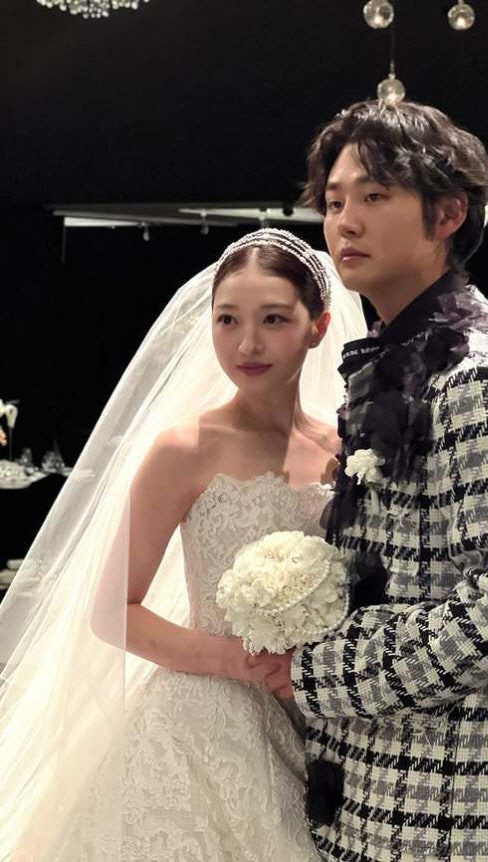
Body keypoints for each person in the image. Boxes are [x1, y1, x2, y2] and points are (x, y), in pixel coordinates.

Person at [270, 101, 488, 862]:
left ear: (448, 214)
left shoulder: (478, 375)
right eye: (334, 202)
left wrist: (319, 671)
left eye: (374, 195)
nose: (345, 222)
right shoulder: (408, 354)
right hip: (411, 786)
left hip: (457, 809)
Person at [0, 228, 367, 861]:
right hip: (205, 715)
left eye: (273, 319)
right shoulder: (185, 449)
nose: (247, 344)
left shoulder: (345, 451)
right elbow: (112, 610)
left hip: (323, 716)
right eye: (228, 320)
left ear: (318, 326)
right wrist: (235, 661)